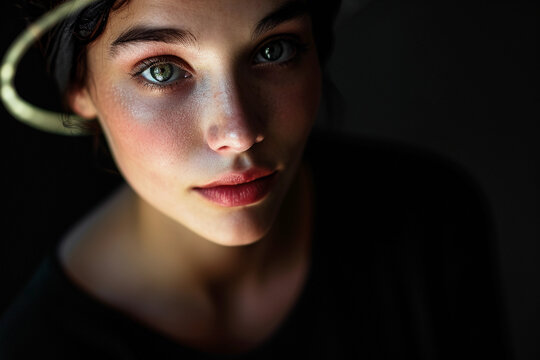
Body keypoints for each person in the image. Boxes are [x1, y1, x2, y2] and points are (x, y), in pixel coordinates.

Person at [0, 0, 512, 358]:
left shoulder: (428, 219)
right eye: (161, 69)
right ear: (78, 88)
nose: (239, 133)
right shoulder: (36, 345)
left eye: (274, 50)